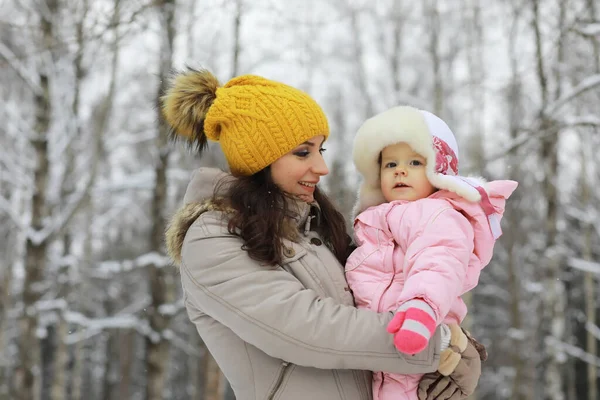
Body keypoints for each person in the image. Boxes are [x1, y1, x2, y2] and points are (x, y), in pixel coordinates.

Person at [161, 68, 485, 400]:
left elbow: (380, 298)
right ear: (259, 158)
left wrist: (456, 342)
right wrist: (437, 343)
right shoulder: (212, 237)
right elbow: (305, 329)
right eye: (303, 152)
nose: (322, 167)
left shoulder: (313, 228)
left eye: (321, 150)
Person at [346, 105, 517, 399]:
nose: (400, 170)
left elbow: (439, 262)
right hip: (376, 350)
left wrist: (421, 308)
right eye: (390, 164)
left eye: (414, 162)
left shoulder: (439, 214)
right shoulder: (373, 221)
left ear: (438, 172)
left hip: (416, 337)